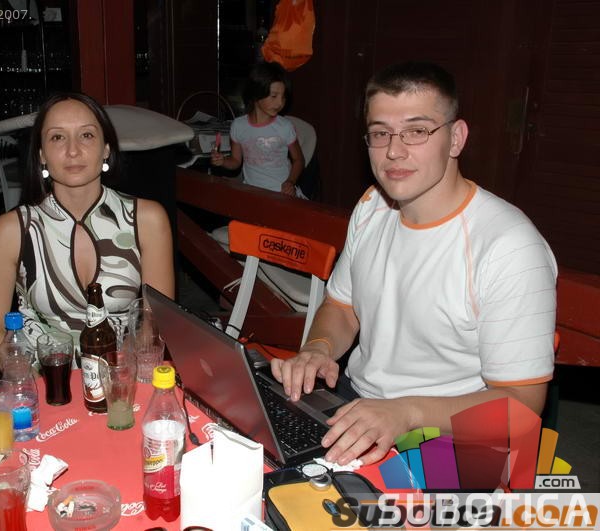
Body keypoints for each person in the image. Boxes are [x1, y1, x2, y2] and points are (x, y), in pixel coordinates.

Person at [271, 61, 557, 465]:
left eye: (417, 131)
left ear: (456, 138)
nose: (393, 150)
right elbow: (342, 306)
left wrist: (405, 413)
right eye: (380, 133)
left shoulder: (509, 247)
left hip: (452, 438)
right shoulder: (372, 206)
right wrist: (319, 348)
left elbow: (522, 406)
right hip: (358, 403)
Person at [0, 92, 175, 369]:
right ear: (41, 154)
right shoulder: (13, 229)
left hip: (121, 374)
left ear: (106, 149)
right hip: (40, 375)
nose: (73, 150)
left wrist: (124, 379)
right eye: (58, 137)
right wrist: (32, 383)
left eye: (87, 135)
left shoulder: (147, 219)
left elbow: (155, 321)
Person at [210, 62, 306, 198]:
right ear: (256, 94)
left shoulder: (285, 127)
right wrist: (223, 161)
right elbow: (235, 161)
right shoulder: (238, 126)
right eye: (274, 96)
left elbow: (299, 160)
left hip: (282, 193)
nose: (280, 103)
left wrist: (290, 182)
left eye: (283, 97)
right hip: (252, 192)